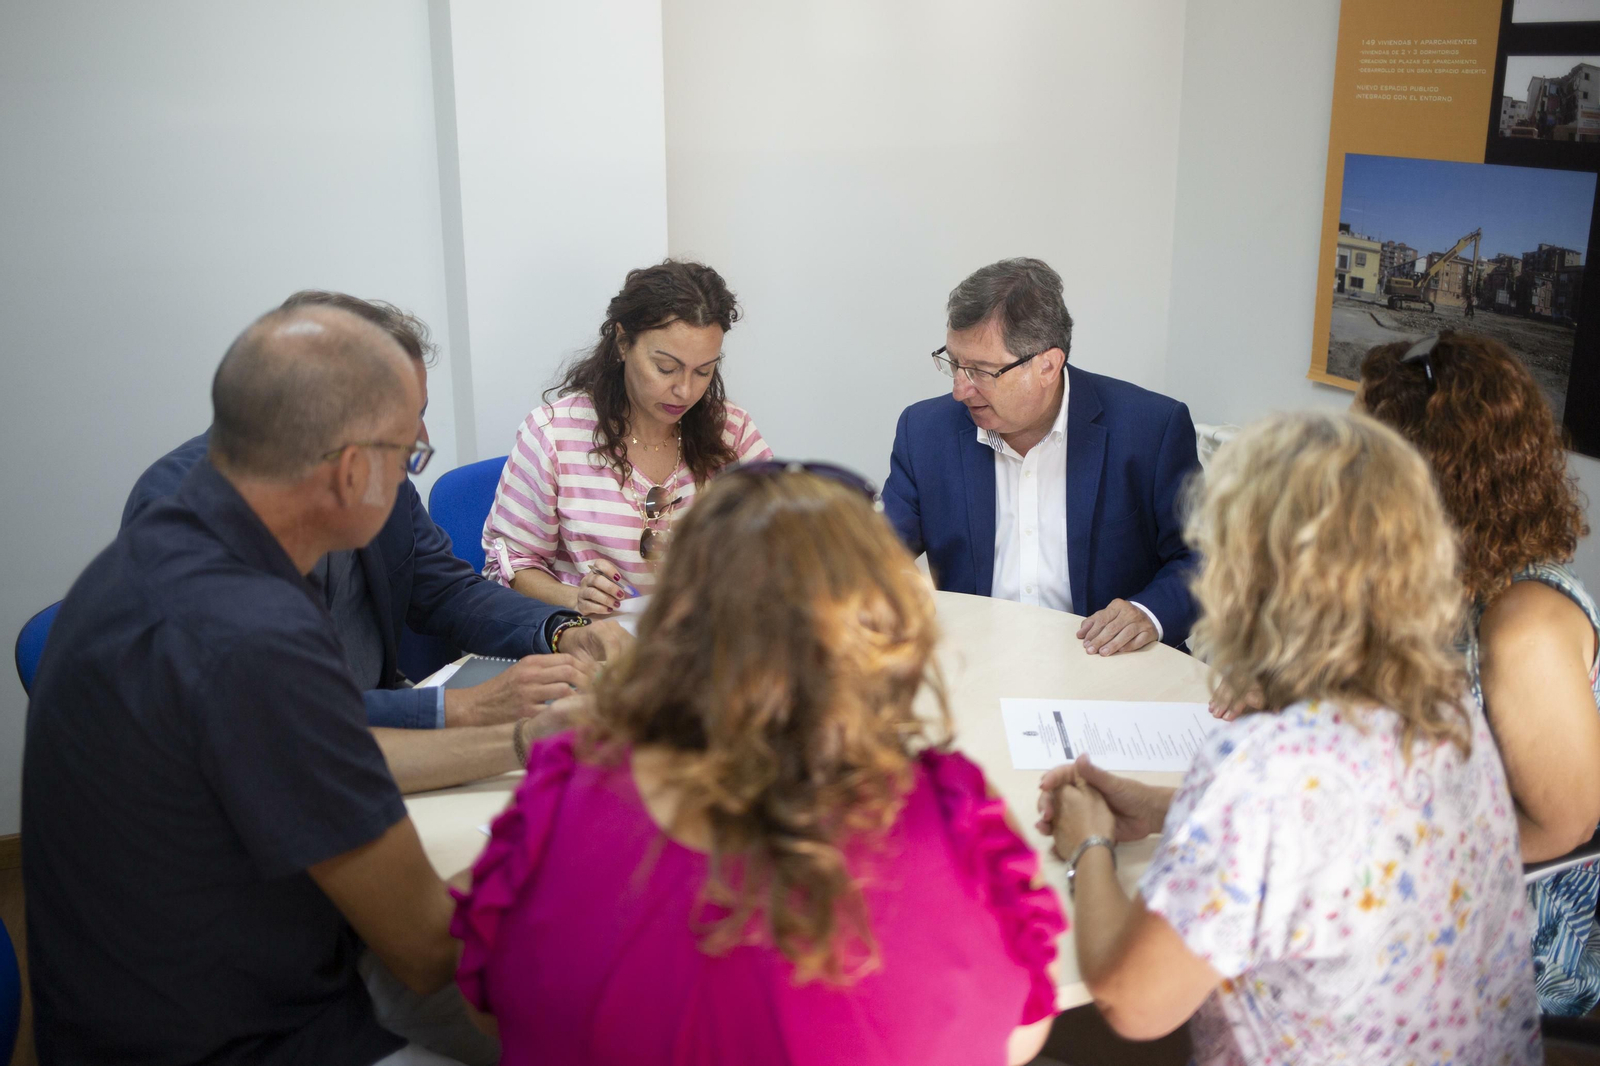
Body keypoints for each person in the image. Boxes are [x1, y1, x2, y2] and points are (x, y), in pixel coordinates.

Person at [451, 462, 1066, 1065]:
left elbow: (488, 1004)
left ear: (675, 626)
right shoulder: (949, 817)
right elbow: (1015, 1031)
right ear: (887, 638)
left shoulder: (567, 788)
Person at [25, 305, 508, 1064]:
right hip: (241, 1037)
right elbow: (424, 944)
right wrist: (559, 825)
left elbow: (321, 751)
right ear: (353, 471)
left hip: (177, 991)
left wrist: (519, 744)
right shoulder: (252, 632)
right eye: (410, 453)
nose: (410, 470)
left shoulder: (167, 547)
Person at [1036, 411, 1540, 1064]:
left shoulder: (1263, 773)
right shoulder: (1446, 709)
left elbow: (1133, 1003)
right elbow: (1324, 844)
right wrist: (1167, 809)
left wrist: (1090, 844)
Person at [124, 290, 626, 745]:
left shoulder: (377, 472)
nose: (419, 439)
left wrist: (565, 629)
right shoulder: (188, 516)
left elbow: (447, 591)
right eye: (404, 416)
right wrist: (470, 709)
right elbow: (277, 719)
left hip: (377, 725)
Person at [1357, 331, 1600, 1016]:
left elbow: (1566, 827)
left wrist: (1390, 866)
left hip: (1505, 945)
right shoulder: (1427, 581)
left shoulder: (1524, 625)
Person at [883, 258, 1199, 656]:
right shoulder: (924, 431)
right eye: (954, 364)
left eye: (981, 371)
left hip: (1111, 667)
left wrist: (1148, 613)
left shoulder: (1150, 429)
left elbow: (1206, 558)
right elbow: (880, 552)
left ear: (1047, 365)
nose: (960, 390)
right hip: (975, 663)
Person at [483, 260, 772, 614]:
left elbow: (779, 545)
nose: (684, 390)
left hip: (702, 648)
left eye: (703, 371)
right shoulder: (554, 435)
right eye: (666, 368)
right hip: (593, 648)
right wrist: (576, 598)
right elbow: (510, 564)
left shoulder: (733, 433)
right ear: (623, 342)